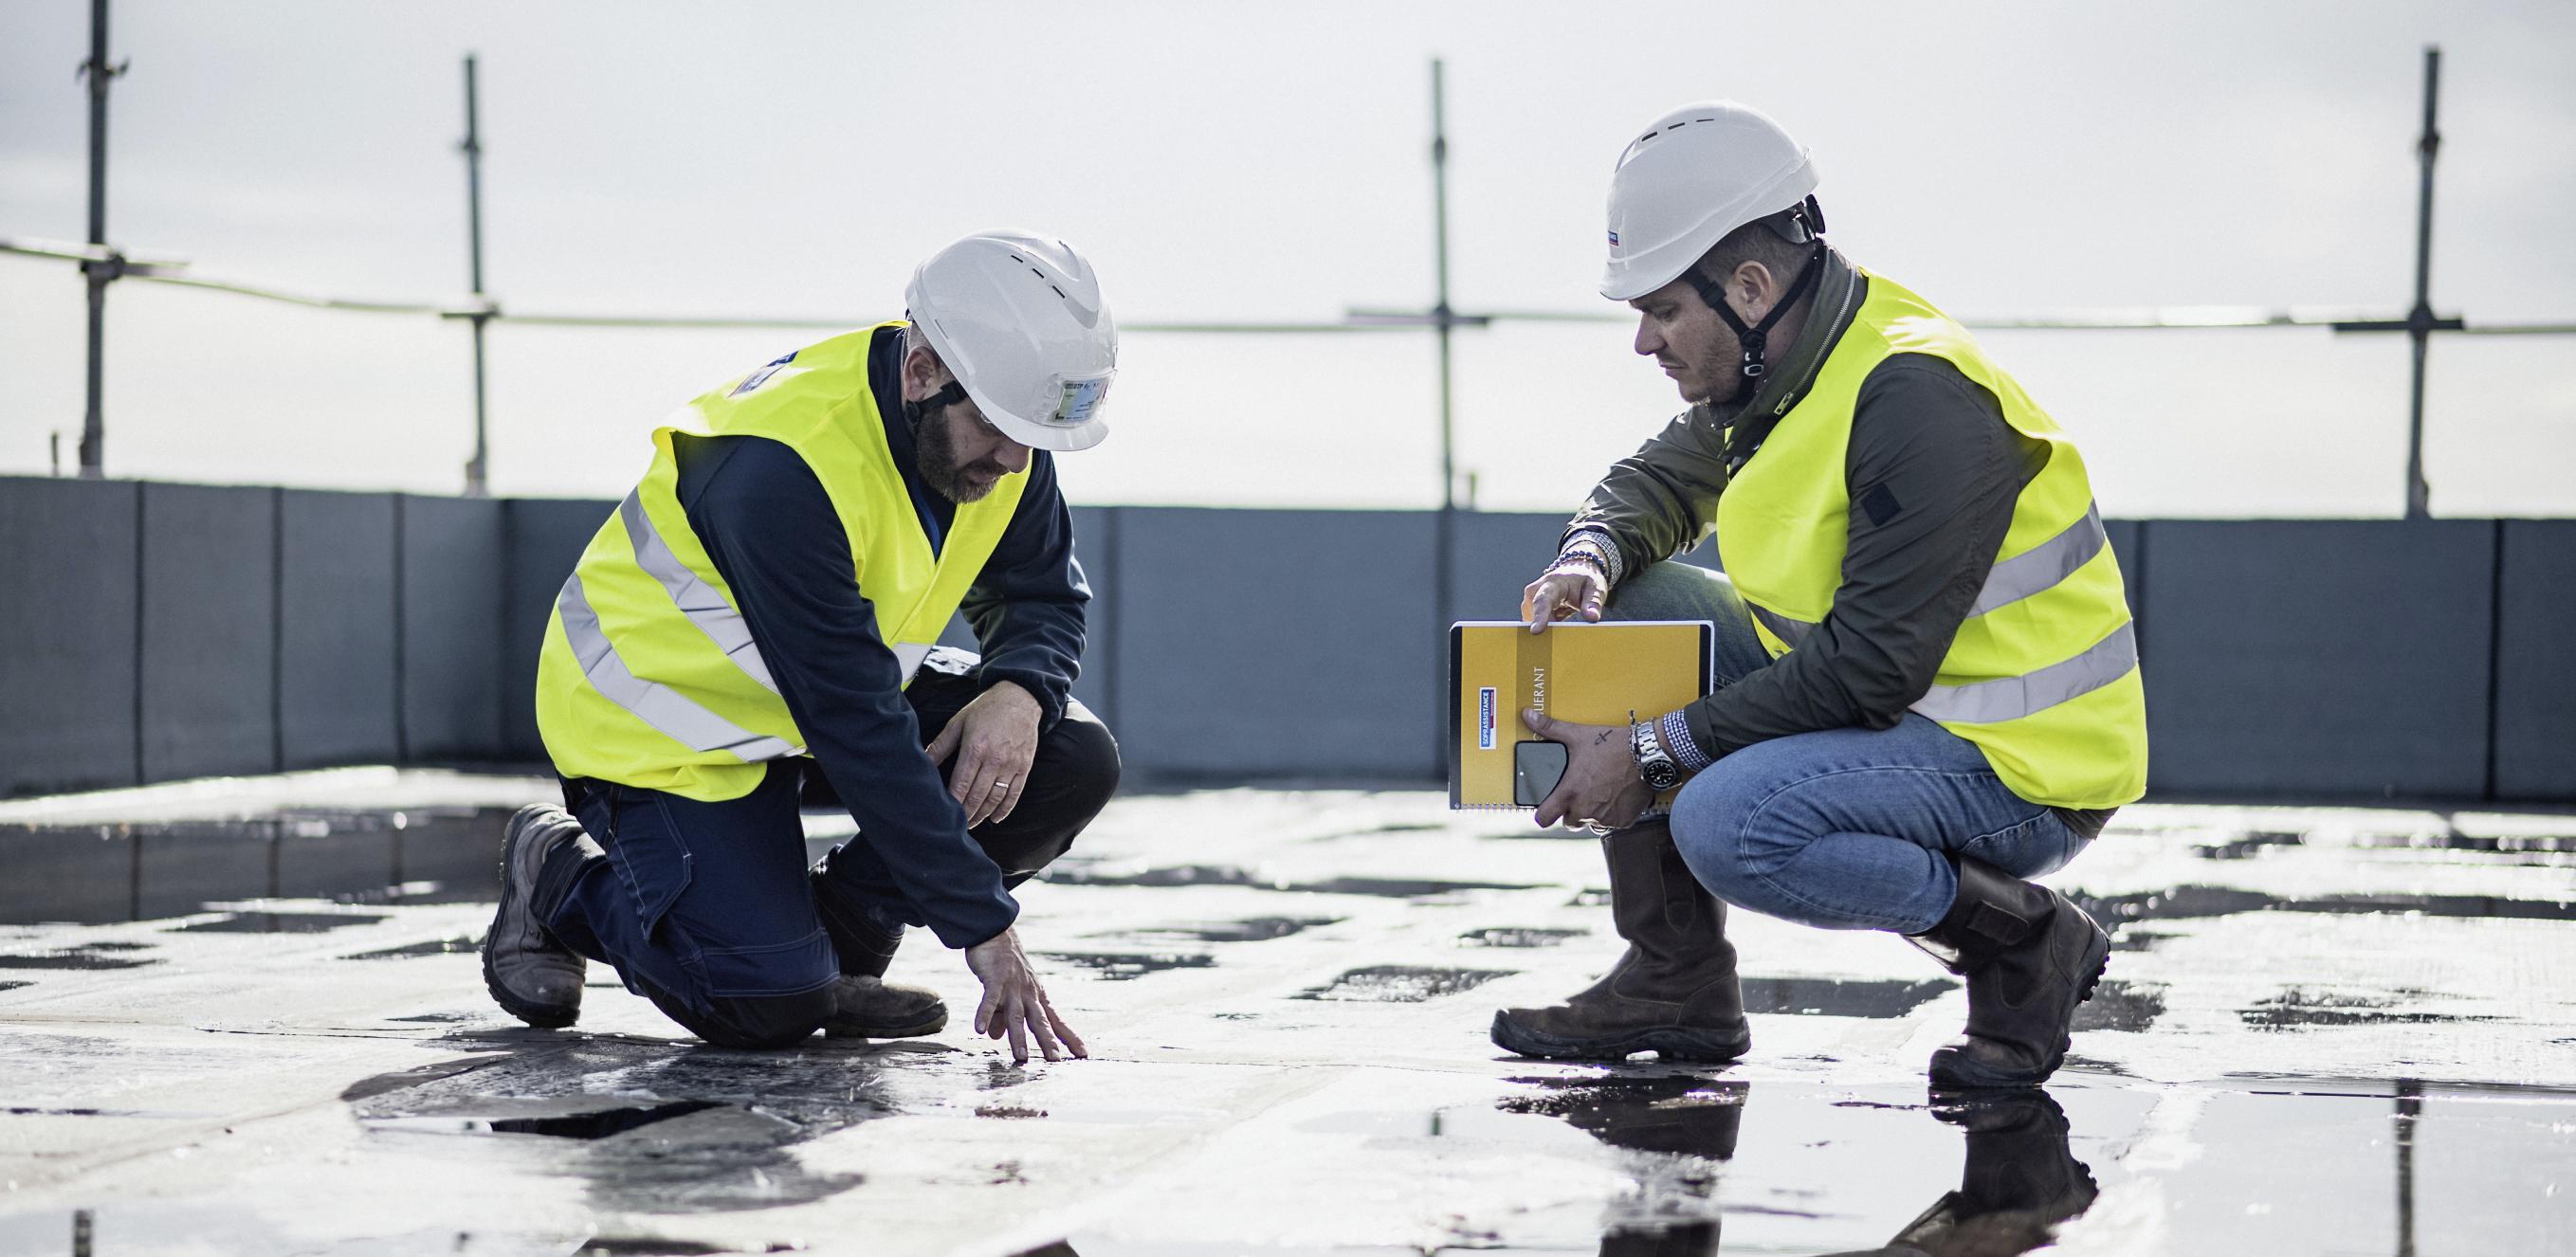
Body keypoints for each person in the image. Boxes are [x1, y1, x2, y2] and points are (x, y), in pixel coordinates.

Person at [1492, 102, 2147, 1091]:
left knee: (1727, 822)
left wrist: (1652, 749)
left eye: (1661, 309)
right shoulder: (1782, 368)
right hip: (1896, 702)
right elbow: (1656, 482)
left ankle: (2022, 944)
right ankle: (1677, 983)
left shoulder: (1915, 394)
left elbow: (1870, 670)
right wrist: (1588, 555)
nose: (1643, 342)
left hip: (2016, 760)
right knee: (1628, 603)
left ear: (1749, 286)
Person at [482, 229, 1124, 1062]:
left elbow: (1039, 593)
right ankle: (562, 879)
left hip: (804, 702)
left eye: (1032, 436)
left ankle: (835, 946)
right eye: (999, 428)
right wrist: (985, 926)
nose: (1014, 460)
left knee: (1065, 755)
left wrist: (1021, 689)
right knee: (762, 1007)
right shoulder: (778, 465)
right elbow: (853, 719)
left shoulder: (1003, 439)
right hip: (661, 723)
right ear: (922, 370)